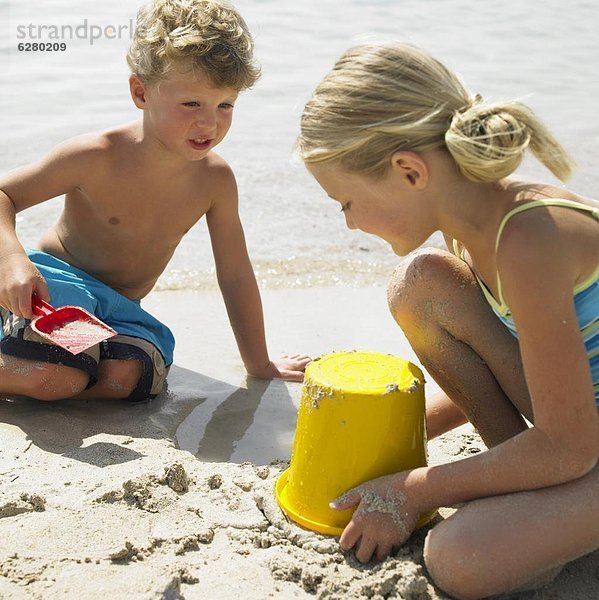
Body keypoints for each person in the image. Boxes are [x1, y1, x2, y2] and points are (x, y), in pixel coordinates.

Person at [297, 41, 598, 599]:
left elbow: (570, 446)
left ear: (409, 171)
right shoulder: (470, 225)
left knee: (462, 560)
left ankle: (545, 512)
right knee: (421, 285)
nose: (348, 224)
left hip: (580, 442)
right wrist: (381, 438)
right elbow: (509, 367)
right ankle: (530, 498)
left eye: (345, 202)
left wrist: (414, 489)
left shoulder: (529, 242)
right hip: (580, 423)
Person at [0, 0, 309, 403]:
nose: (210, 123)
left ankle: (55, 363)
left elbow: (234, 274)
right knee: (56, 377)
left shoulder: (214, 180)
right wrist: (12, 262)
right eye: (191, 104)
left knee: (131, 377)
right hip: (54, 288)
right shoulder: (95, 156)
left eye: (225, 105)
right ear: (140, 92)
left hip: (118, 308)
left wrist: (260, 364)